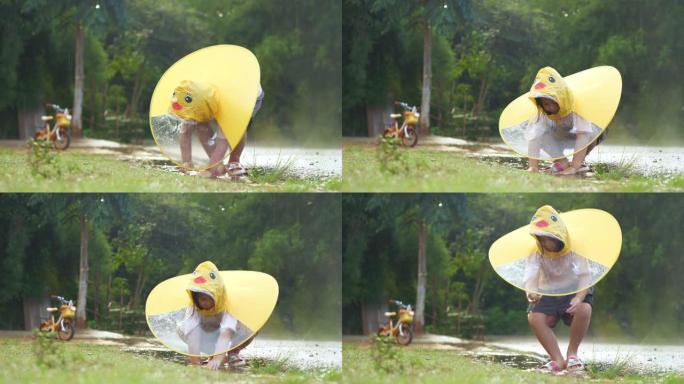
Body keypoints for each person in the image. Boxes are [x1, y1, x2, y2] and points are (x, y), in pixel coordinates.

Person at [523, 205, 593, 373]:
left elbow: (585, 276)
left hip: (573, 291)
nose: (546, 243)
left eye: (550, 238)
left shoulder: (575, 249)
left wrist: (579, 297)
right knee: (534, 317)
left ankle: (572, 354)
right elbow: (530, 278)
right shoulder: (536, 253)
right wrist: (531, 293)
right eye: (542, 238)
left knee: (584, 309)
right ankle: (557, 359)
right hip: (547, 292)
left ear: (559, 236)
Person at [171, 80, 264, 178]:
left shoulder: (231, 102)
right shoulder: (194, 91)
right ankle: (217, 164)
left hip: (245, 96)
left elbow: (223, 139)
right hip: (208, 91)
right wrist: (186, 162)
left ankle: (234, 161)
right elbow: (185, 130)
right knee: (201, 125)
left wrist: (210, 171)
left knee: (237, 127)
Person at [525, 67, 605, 175]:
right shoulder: (543, 114)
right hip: (560, 137)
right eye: (545, 104)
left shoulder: (577, 109)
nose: (548, 107)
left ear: (560, 99)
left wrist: (573, 168)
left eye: (551, 103)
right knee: (538, 132)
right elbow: (534, 137)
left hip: (582, 137)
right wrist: (533, 166)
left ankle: (578, 162)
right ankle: (562, 162)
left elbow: (583, 136)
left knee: (592, 131)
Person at [176, 261, 250, 370]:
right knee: (187, 329)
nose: (206, 302)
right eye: (202, 299)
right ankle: (212, 353)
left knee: (250, 327)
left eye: (210, 298)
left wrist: (217, 358)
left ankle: (232, 353)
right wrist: (195, 363)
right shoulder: (194, 308)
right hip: (207, 335)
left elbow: (226, 333)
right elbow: (193, 335)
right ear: (196, 299)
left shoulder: (226, 305)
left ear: (217, 295)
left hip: (227, 333)